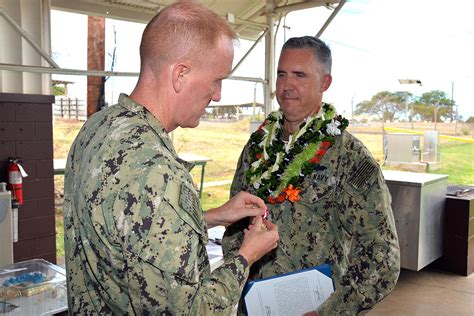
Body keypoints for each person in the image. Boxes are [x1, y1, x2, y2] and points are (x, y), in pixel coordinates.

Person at [63, 1, 279, 314]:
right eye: (216, 79)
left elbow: (131, 230)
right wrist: (246, 256)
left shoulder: (98, 127)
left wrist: (213, 216)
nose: (217, 95)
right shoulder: (158, 173)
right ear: (180, 75)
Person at [222, 36, 400, 315]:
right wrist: (236, 279)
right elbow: (233, 223)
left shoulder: (350, 158)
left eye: (300, 75)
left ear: (324, 83)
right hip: (253, 305)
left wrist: (331, 310)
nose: (286, 86)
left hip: (315, 307)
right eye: (281, 74)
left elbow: (381, 257)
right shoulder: (258, 147)